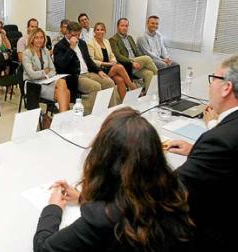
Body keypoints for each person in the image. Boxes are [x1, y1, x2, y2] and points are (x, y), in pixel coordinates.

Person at [34, 107, 195, 251]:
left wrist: (53, 208)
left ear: (104, 160)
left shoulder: (102, 220)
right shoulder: (174, 191)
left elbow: (44, 247)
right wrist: (82, 198)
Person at [167, 56, 238, 250]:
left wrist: (94, 199)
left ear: (226, 88)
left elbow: (168, 190)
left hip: (210, 232)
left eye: (214, 78)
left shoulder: (220, 140)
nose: (210, 85)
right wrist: (195, 151)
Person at [53, 21, 120, 115]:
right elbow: (61, 66)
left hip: (88, 73)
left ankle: (112, 112)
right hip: (75, 76)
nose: (76, 37)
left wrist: (98, 70)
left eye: (78, 34)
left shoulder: (82, 43)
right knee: (95, 86)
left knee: (109, 82)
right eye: (73, 35)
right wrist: (71, 48)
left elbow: (88, 60)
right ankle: (88, 114)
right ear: (67, 33)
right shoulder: (59, 46)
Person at [22, 28, 70, 112]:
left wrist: (46, 76)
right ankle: (63, 115)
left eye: (41, 37)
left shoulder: (45, 50)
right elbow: (32, 75)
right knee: (65, 93)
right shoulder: (27, 53)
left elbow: (53, 70)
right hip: (32, 84)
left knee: (62, 82)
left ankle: (62, 114)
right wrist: (44, 72)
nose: (39, 40)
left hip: (46, 80)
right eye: (36, 37)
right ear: (32, 39)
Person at [88, 22, 137, 99]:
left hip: (110, 68)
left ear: (105, 31)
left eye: (102, 30)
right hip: (99, 69)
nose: (100, 31)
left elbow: (112, 55)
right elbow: (92, 61)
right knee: (119, 67)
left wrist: (113, 61)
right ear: (94, 31)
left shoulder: (106, 41)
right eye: (97, 30)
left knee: (120, 80)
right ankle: (132, 86)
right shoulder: (91, 43)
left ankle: (124, 104)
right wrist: (108, 64)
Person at [109, 18, 158, 92]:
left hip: (136, 64)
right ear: (117, 27)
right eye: (122, 26)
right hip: (127, 65)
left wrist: (141, 60)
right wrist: (132, 62)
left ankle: (149, 96)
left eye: (126, 26)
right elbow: (118, 56)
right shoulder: (113, 39)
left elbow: (137, 52)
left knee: (149, 73)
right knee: (147, 58)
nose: (124, 28)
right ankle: (161, 78)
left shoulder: (130, 38)